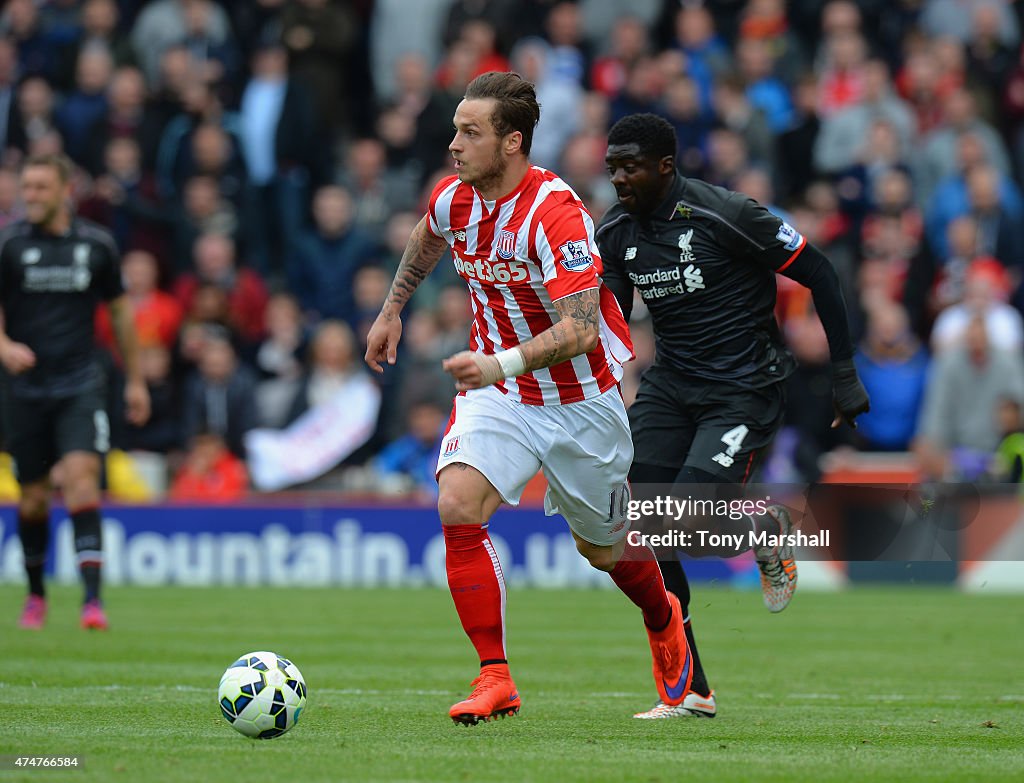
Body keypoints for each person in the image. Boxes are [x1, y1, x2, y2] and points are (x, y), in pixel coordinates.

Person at [364, 72, 692, 725]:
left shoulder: (556, 213)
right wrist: (392, 307)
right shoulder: (456, 198)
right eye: (456, 128)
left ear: (512, 142)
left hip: (578, 402)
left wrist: (498, 361)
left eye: (470, 132)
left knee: (602, 549)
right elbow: (427, 235)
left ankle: (663, 614)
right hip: (501, 393)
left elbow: (581, 328)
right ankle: (495, 675)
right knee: (457, 501)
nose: (454, 143)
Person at [596, 113, 870, 718]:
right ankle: (691, 687)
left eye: (630, 165)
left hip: (744, 388)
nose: (617, 177)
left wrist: (844, 374)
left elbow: (819, 271)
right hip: (670, 387)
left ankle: (763, 530)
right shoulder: (614, 231)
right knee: (640, 531)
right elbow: (611, 328)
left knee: (686, 523)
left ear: (666, 166)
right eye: (611, 165)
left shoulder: (728, 214)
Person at [0, 153, 150, 631]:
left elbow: (122, 316)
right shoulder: (9, 244)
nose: (31, 197)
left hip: (81, 382)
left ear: (66, 190)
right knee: (33, 499)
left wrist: (136, 379)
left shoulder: (97, 245)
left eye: (41, 188)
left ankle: (91, 602)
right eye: (27, 188)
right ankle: (37, 595)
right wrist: (3, 346)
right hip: (25, 389)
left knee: (83, 479)